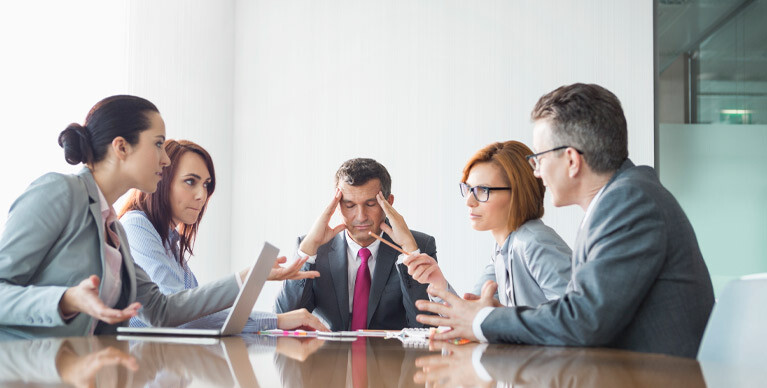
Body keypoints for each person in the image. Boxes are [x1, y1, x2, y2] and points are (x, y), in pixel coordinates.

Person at [0, 95, 316, 342]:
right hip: (15, 367)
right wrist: (66, 299)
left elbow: (161, 311)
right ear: (121, 148)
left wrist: (248, 278)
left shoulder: (114, 227)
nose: (166, 160)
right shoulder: (59, 192)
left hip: (78, 368)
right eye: (159, 144)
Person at [416, 83, 715, 358]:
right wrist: (499, 317)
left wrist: (487, 320)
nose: (536, 173)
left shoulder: (629, 203)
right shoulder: (618, 200)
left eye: (539, 159)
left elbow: (584, 320)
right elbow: (581, 312)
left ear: (571, 160)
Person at [119, 139, 327, 332]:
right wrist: (275, 317)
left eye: (206, 184)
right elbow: (178, 314)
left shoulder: (170, 242)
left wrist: (278, 318)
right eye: (190, 181)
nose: (202, 196)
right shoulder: (135, 225)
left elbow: (195, 314)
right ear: (160, 180)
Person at [274, 158, 437, 331]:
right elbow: (283, 322)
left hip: (391, 355)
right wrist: (307, 252)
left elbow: (425, 327)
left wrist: (410, 252)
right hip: (329, 355)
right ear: (337, 206)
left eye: (371, 204)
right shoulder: (315, 248)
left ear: (388, 202)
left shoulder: (420, 246)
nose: (361, 216)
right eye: (350, 205)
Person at [403, 141, 571, 307]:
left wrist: (505, 319)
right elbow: (470, 314)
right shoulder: (502, 248)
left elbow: (576, 322)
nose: (469, 201)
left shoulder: (535, 242)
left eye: (483, 190)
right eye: (468, 188)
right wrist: (438, 283)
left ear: (518, 194)